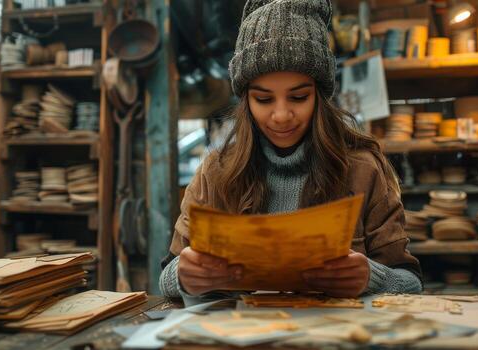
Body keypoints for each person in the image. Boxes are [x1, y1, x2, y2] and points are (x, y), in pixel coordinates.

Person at [159, 0, 421, 305]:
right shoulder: (216, 171)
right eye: (263, 99)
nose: (281, 115)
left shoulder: (363, 168)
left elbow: (412, 283)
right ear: (245, 101)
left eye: (298, 97)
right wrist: (183, 275)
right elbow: (166, 277)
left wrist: (373, 277)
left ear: (320, 96)